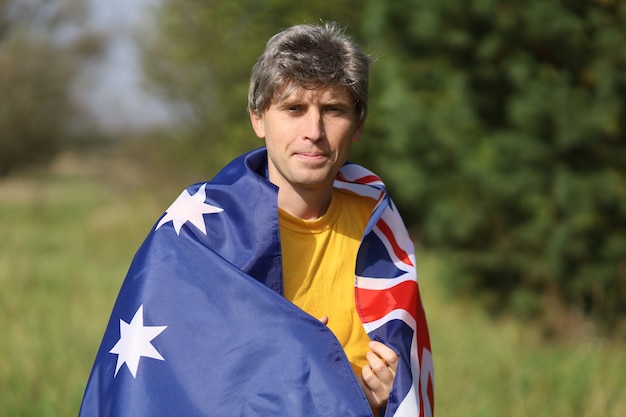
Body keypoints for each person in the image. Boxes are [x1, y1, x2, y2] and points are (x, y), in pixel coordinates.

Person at [79, 22, 433, 417]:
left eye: (333, 110)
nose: (313, 132)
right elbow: (172, 387)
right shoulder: (198, 235)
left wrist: (386, 399)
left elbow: (404, 381)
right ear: (258, 119)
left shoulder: (380, 226)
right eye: (294, 109)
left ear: (358, 124)